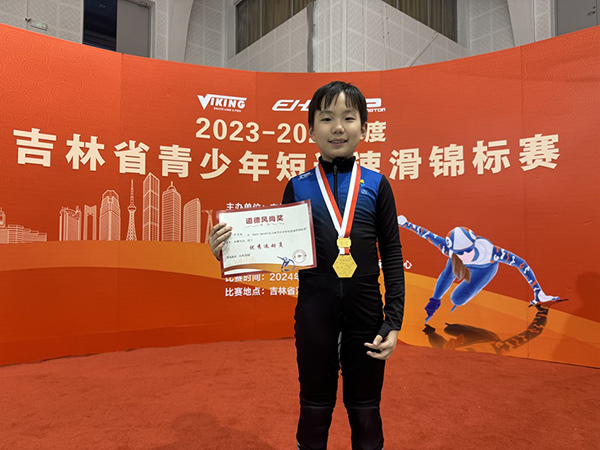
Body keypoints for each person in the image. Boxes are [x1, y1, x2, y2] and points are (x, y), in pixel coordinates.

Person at [209, 81, 405, 450]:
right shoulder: (298, 187)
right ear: (310, 130)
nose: (338, 127)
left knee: (365, 407)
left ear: (364, 128)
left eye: (348, 118)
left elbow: (392, 254)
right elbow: (277, 247)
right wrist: (228, 250)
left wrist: (393, 320)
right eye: (326, 118)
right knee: (314, 405)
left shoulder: (377, 185)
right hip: (315, 309)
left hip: (367, 311)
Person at [397, 215, 561, 324]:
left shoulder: (490, 252)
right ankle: (434, 302)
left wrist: (538, 291)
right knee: (448, 272)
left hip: (485, 268)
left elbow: (521, 264)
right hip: (457, 264)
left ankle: (453, 305)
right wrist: (405, 224)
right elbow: (425, 234)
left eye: (468, 250)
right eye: (460, 252)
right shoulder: (449, 251)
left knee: (457, 299)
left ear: (474, 244)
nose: (465, 255)